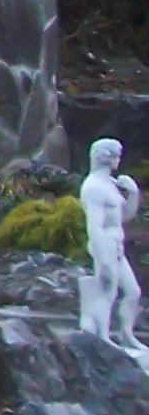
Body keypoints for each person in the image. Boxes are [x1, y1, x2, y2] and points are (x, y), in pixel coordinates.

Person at [79, 136, 142, 351]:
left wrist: (133, 193)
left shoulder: (110, 184)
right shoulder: (94, 187)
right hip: (103, 243)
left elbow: (123, 216)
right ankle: (103, 337)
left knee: (133, 292)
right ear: (107, 158)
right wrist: (103, 258)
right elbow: (94, 226)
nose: (119, 160)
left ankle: (127, 335)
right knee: (107, 290)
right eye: (116, 156)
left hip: (116, 245)